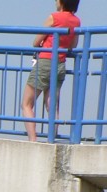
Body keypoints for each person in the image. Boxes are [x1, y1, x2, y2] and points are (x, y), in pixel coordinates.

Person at [21, 0, 81, 142]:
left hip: (45, 62)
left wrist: (43, 44)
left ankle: (33, 140)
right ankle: (51, 140)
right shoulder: (76, 21)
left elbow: (36, 42)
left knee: (26, 104)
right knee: (52, 106)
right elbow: (73, 44)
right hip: (60, 64)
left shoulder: (54, 17)